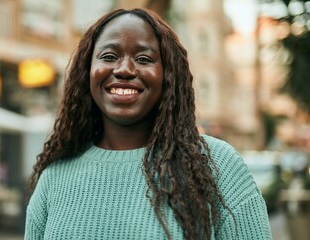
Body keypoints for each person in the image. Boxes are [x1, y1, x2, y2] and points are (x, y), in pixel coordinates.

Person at [25, 8, 272, 240]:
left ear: (168, 76)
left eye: (144, 58)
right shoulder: (55, 177)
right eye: (109, 56)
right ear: (86, 71)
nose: (124, 69)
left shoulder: (218, 166)